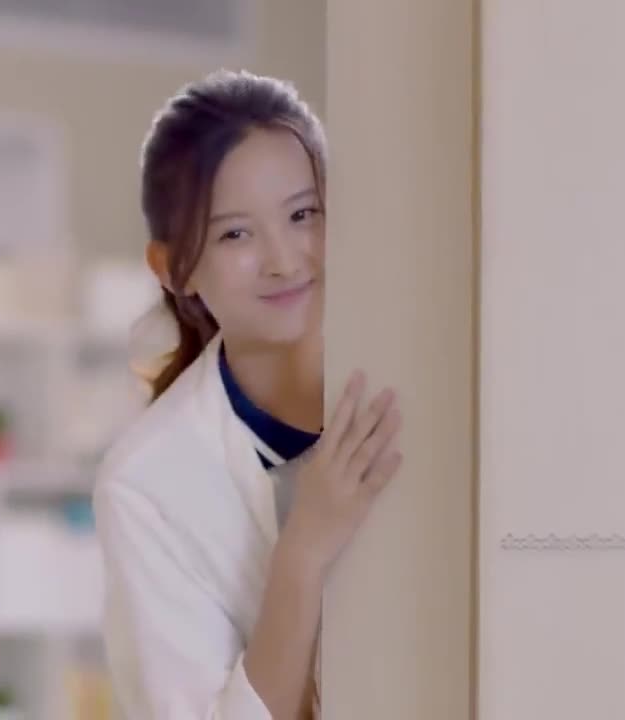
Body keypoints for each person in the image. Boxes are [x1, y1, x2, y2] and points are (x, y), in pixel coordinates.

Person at [93, 69, 404, 720]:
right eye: (235, 233)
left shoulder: (417, 373)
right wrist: (304, 551)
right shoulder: (146, 484)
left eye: (302, 215)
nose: (285, 260)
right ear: (172, 268)